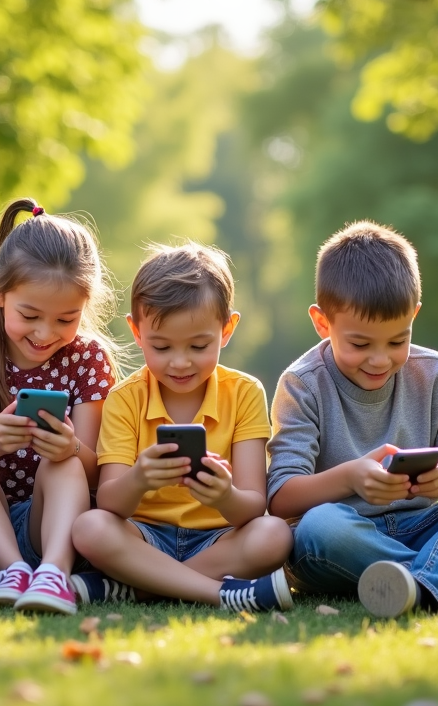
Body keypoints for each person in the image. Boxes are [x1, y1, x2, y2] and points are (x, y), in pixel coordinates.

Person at [267, 220, 438, 618]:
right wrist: (350, 478)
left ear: (414, 314)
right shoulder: (302, 383)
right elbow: (280, 499)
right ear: (322, 322)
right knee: (320, 526)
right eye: (360, 344)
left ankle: (418, 587)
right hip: (341, 543)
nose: (380, 359)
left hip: (424, 527)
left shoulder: (434, 372)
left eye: (398, 340)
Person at [71, 243, 294, 612]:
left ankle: (140, 587)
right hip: (144, 536)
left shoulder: (245, 392)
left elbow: (254, 506)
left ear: (227, 329)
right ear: (137, 331)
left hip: (219, 537)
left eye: (198, 345)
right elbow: (110, 500)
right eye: (161, 347)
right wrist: (140, 477)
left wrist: (224, 495)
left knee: (274, 535)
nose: (180, 362)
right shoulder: (125, 398)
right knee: (90, 527)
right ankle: (219, 594)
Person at [0, 199, 119, 615]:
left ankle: (53, 575)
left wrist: (71, 449)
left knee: (62, 462)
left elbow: (100, 468)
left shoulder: (87, 359)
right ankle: (13, 571)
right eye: (29, 315)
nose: (46, 333)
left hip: (54, 529)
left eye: (66, 319)